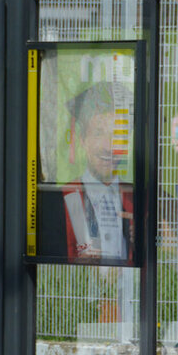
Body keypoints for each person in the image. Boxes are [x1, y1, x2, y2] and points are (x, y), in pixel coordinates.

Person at [62, 82, 134, 263]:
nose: (108, 146)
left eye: (117, 135)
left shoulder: (142, 200)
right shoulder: (62, 198)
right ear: (83, 140)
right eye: (98, 133)